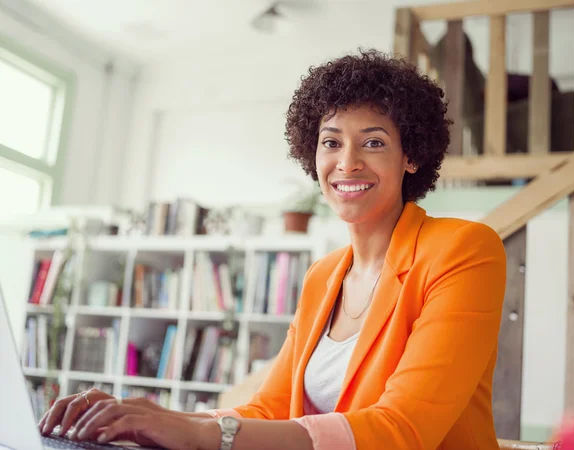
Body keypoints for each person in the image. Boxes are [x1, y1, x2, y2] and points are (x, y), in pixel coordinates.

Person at [37, 49, 506, 450]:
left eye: (374, 142)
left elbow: (401, 429)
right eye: (331, 142)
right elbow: (269, 407)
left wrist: (201, 434)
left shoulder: (463, 250)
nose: (347, 163)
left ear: (412, 155)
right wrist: (151, 421)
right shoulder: (324, 275)